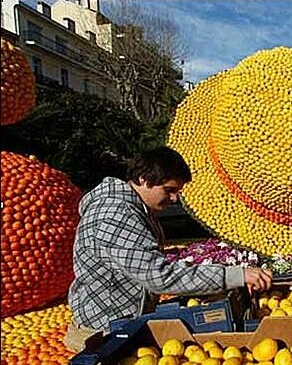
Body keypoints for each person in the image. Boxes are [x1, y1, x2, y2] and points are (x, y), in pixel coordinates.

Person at [65, 147, 273, 352]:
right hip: (104, 332)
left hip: (122, 323)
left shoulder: (134, 209)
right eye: (169, 190)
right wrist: (236, 275)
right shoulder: (115, 214)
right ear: (144, 180)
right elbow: (158, 275)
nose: (175, 199)